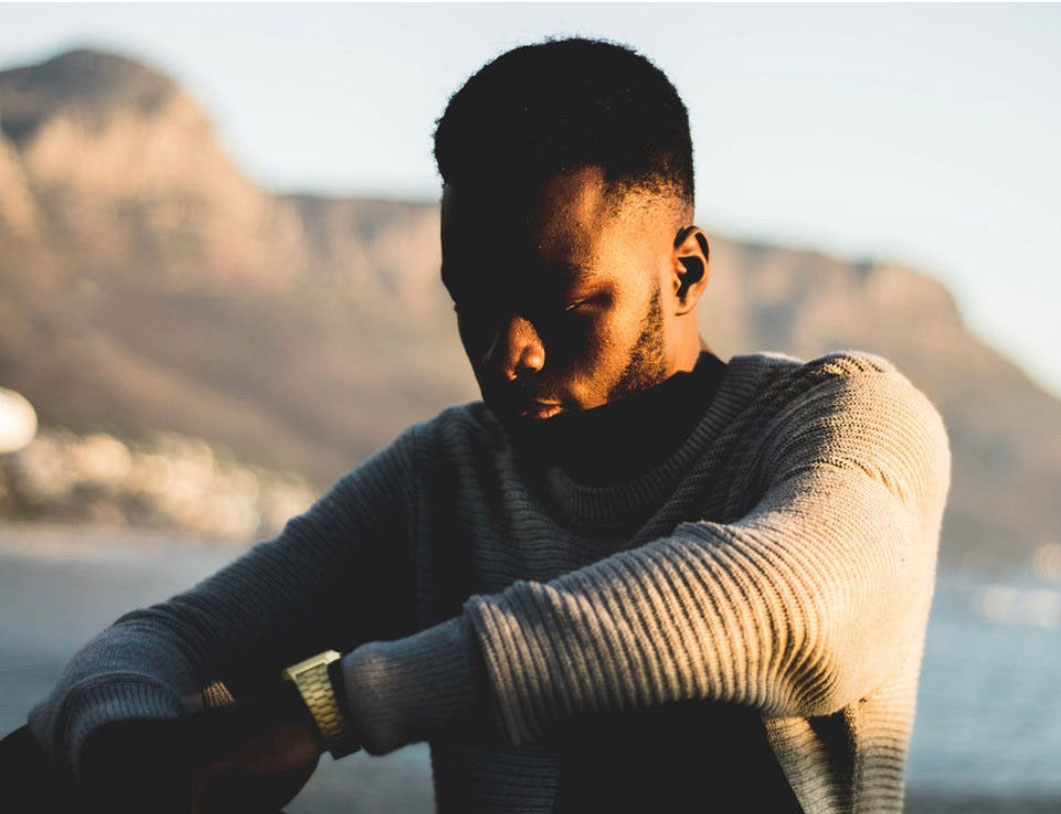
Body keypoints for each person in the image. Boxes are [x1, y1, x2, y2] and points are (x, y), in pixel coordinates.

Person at [21, 37, 951, 813]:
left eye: (564, 302)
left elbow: (788, 601)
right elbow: (174, 638)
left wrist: (331, 707)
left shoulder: (847, 419)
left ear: (686, 271)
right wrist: (125, 752)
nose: (510, 352)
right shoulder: (448, 475)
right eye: (474, 302)